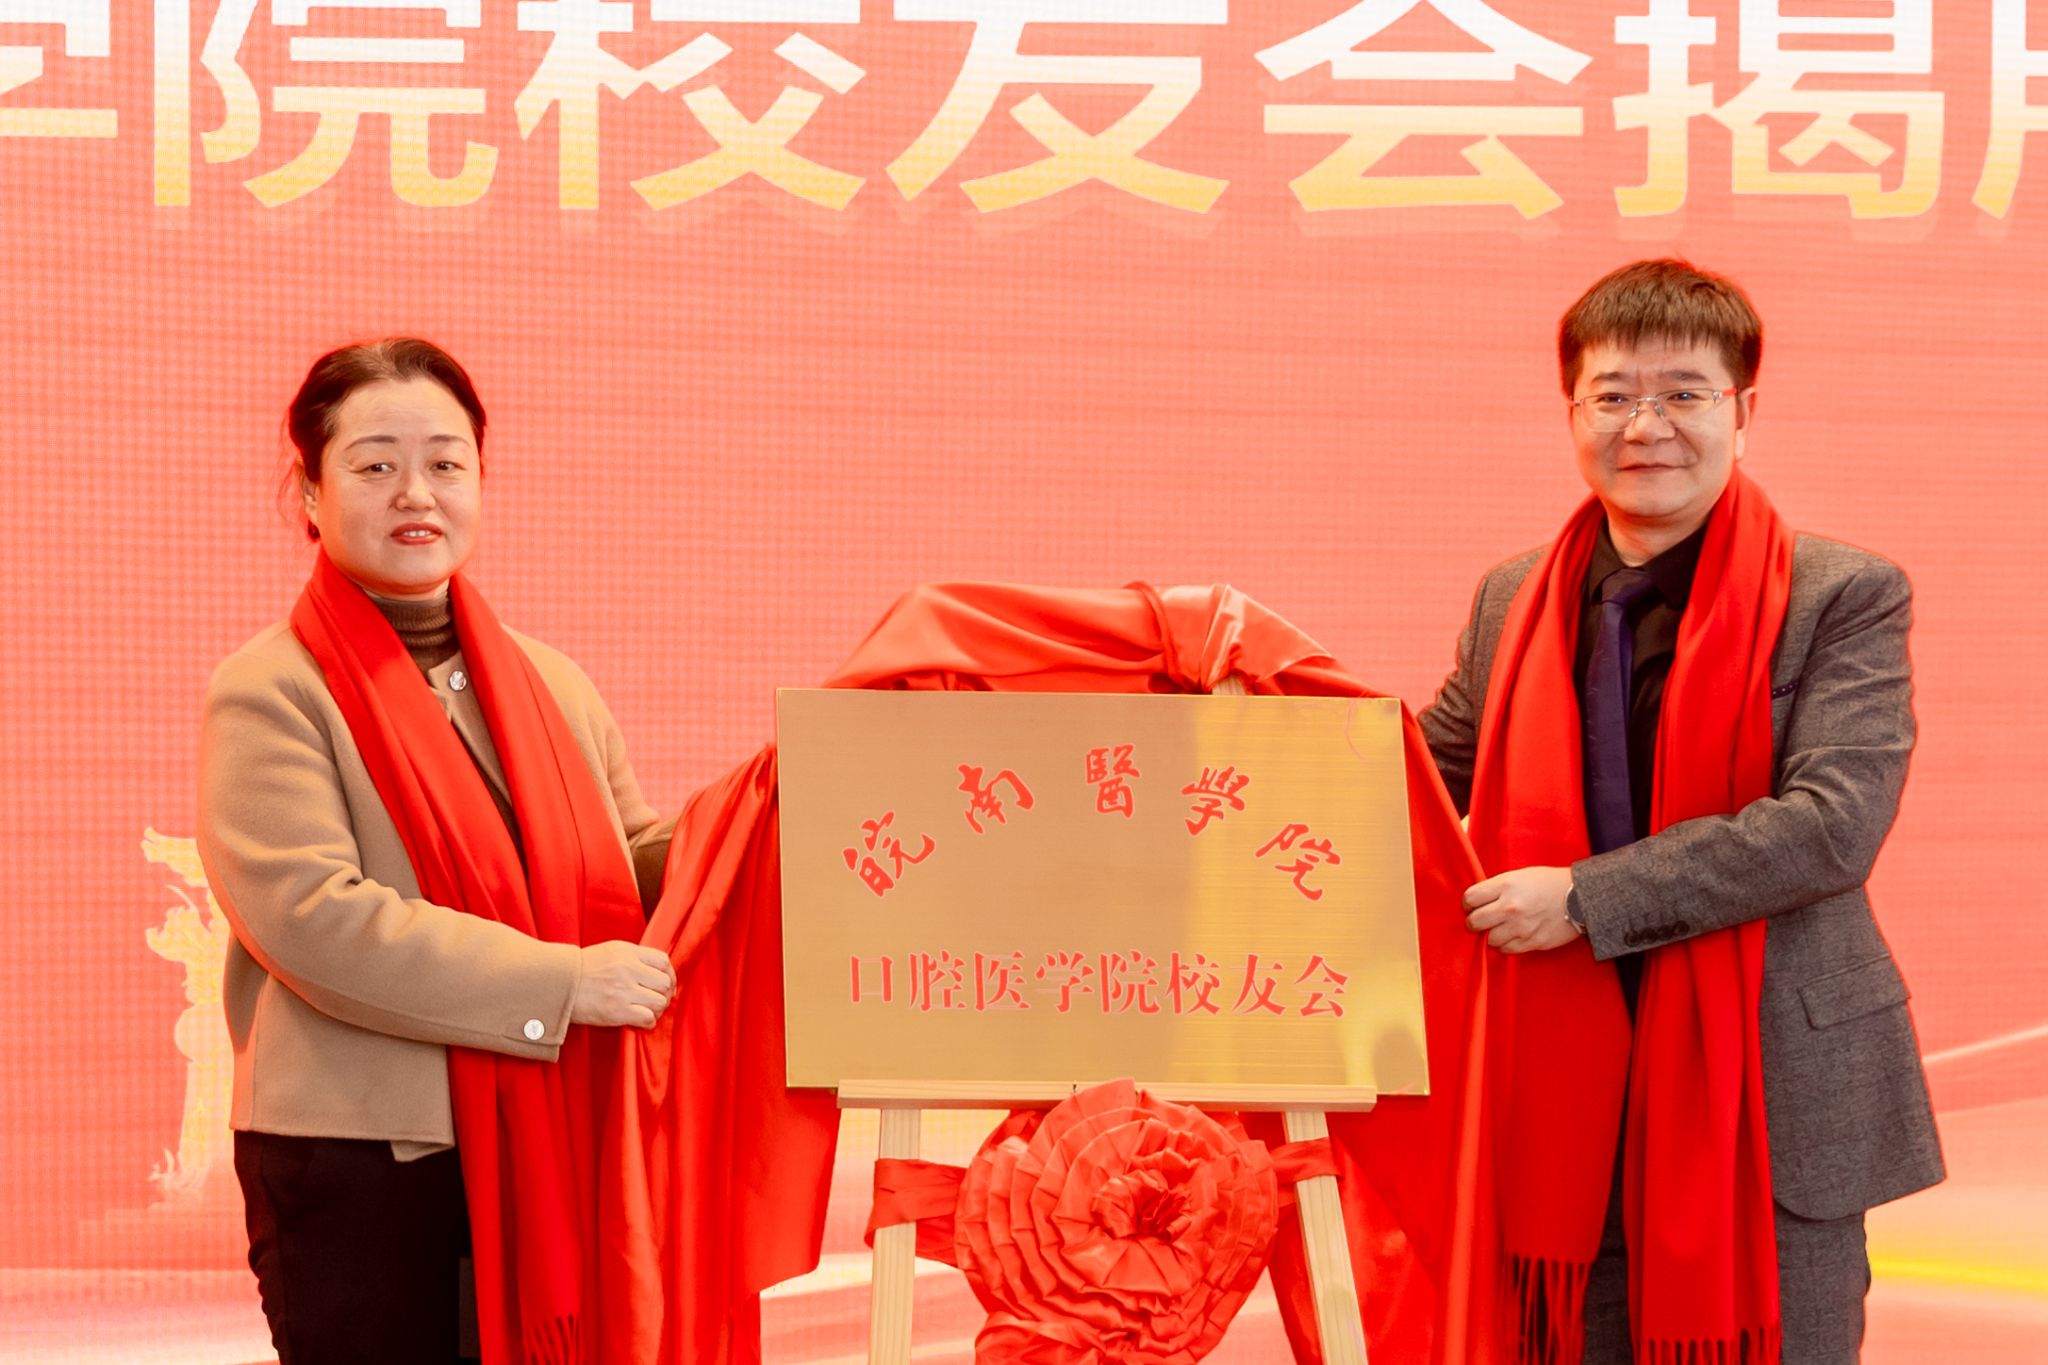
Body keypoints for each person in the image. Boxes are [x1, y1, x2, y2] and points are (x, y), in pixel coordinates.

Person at [1418, 261, 1942, 1365]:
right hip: (1553, 1086)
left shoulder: (1840, 593)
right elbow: (1424, 774)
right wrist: (1247, 733)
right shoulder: (1516, 595)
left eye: (1682, 394)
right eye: (1611, 395)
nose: (1644, 426)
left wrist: (1584, 898)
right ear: (1570, 410)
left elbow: (1830, 824)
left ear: (1742, 410)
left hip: (1765, 1088)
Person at [198, 339, 678, 1364]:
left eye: (446, 463)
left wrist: (773, 806)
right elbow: (315, 919)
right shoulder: (271, 688)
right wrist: (561, 984)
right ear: (310, 492)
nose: (416, 492)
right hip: (361, 1163)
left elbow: (628, 869)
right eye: (375, 464)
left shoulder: (550, 683)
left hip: (555, 1136)